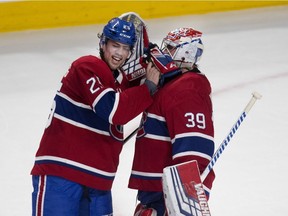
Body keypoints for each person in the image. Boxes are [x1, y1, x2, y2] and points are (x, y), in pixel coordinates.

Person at [30, 16, 160, 216]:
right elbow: (113, 110)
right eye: (115, 45)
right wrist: (148, 87)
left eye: (126, 48)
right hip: (62, 174)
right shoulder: (87, 66)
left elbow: (125, 90)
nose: (120, 53)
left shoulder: (116, 84)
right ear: (103, 43)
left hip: (99, 182)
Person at [128, 27, 216, 215]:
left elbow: (194, 152)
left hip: (166, 197)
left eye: (170, 47)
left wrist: (187, 203)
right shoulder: (171, 85)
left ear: (187, 53)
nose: (163, 52)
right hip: (154, 195)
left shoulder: (187, 89)